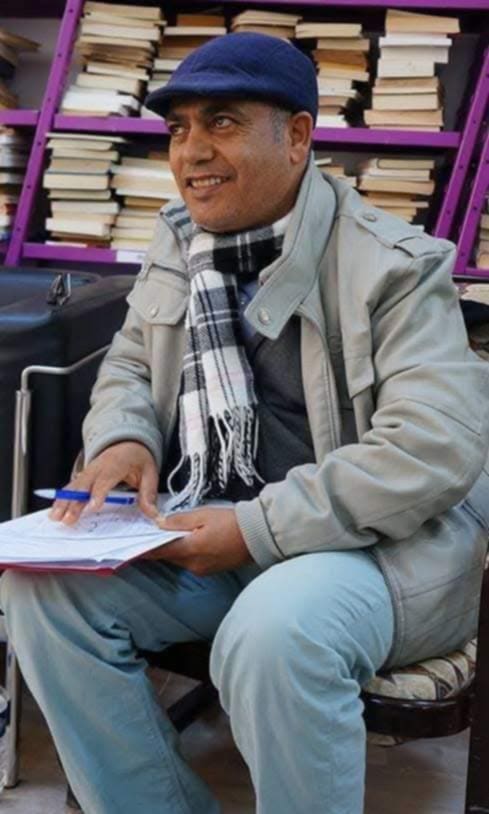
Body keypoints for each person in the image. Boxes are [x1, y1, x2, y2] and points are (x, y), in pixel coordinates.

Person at [1, 32, 489, 814]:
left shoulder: (396, 265)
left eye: (222, 122)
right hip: (214, 524)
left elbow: (430, 450)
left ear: (296, 137)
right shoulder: (180, 241)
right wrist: (123, 440)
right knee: (44, 589)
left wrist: (255, 529)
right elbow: (131, 365)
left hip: (379, 550)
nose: (191, 151)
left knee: (274, 633)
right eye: (178, 128)